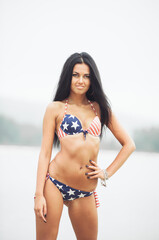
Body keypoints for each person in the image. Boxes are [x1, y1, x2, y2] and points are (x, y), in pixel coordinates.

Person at [34, 52, 136, 240]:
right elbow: (45, 153)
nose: (80, 80)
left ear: (92, 79)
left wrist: (106, 173)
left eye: (86, 76)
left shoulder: (100, 109)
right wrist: (38, 195)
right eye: (75, 75)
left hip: (85, 190)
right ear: (68, 77)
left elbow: (128, 145)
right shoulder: (55, 108)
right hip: (55, 183)